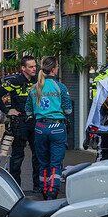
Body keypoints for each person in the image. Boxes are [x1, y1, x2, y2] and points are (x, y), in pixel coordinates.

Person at [25, 56, 73, 200]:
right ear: (53, 69)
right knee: (55, 162)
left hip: (39, 127)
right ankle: (53, 190)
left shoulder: (35, 88)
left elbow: (28, 110)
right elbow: (68, 110)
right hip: (57, 127)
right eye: (57, 67)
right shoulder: (60, 87)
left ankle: (44, 189)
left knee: (43, 162)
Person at [0, 55, 39, 190]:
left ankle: (37, 187)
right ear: (23, 68)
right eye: (31, 66)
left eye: (35, 66)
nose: (34, 69)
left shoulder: (37, 81)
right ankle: (16, 188)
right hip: (20, 123)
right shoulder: (15, 81)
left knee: (37, 155)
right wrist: (7, 110)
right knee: (17, 156)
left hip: (35, 122)